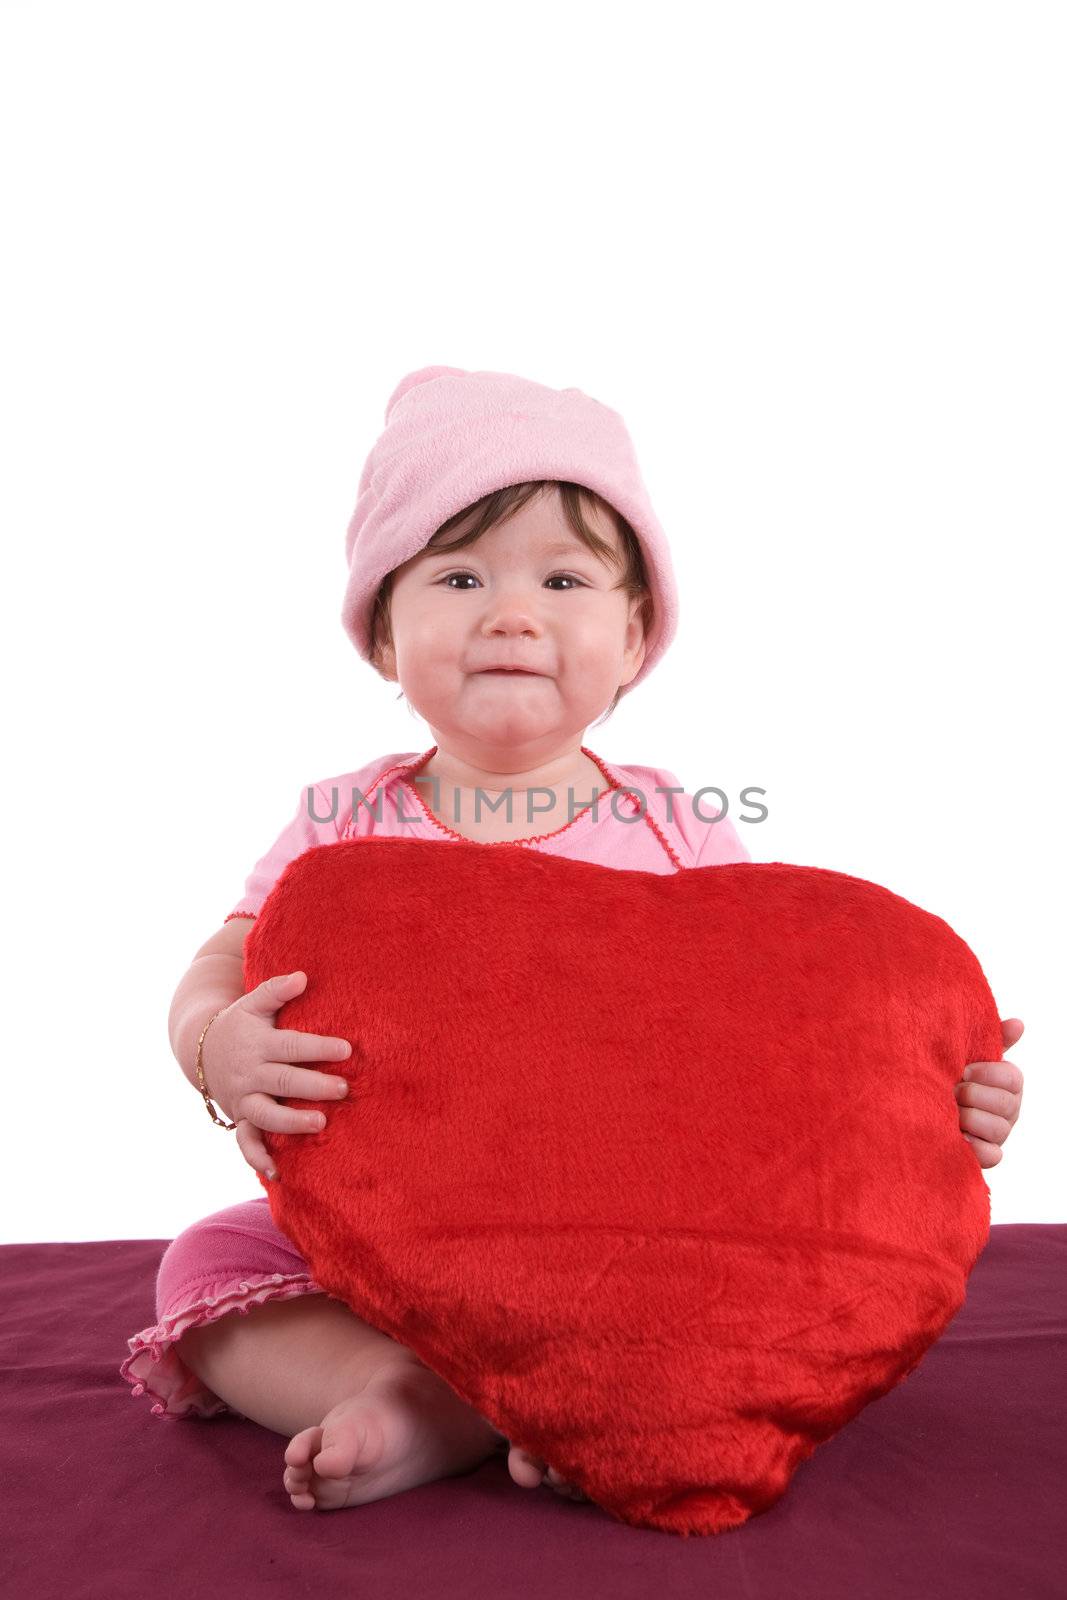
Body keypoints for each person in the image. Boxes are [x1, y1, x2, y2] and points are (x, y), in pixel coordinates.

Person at [120, 366, 1024, 1514]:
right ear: (383, 635)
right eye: (457, 576)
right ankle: (411, 1392)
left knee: (749, 1279)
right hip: (383, 1231)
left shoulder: (678, 831)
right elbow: (222, 956)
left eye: (562, 577)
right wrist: (214, 1045)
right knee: (208, 1257)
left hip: (624, 1240)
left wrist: (937, 1102)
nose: (511, 613)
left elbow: (792, 1044)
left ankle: (610, 1386)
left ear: (635, 632)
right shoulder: (340, 826)